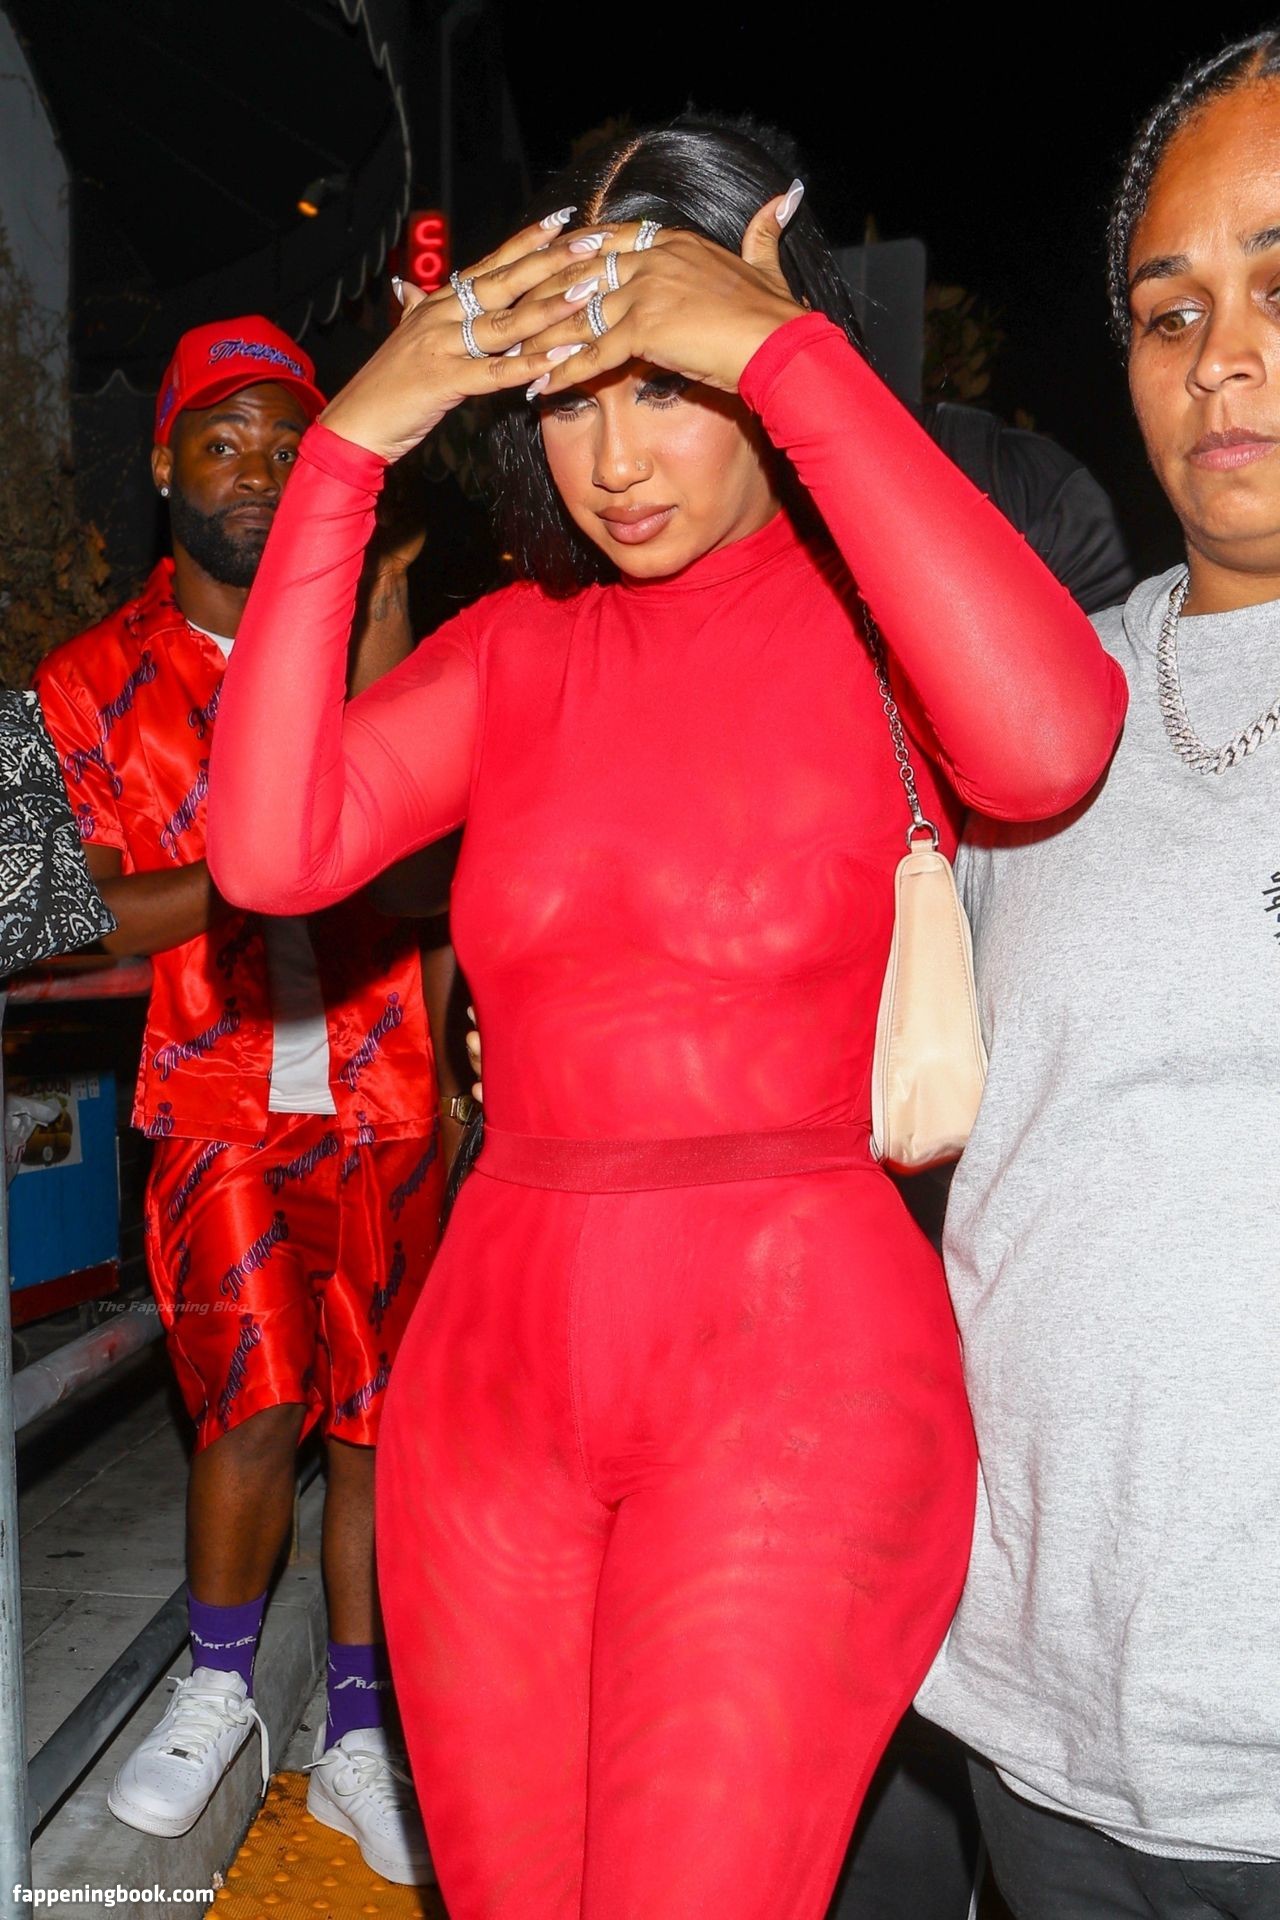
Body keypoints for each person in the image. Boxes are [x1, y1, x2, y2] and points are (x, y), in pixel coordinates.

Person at [205, 118, 1126, 1920]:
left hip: (793, 1384)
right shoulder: (515, 653)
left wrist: (786, 353)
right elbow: (266, 846)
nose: (615, 461)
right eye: (566, 397)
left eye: (666, 385)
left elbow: (1048, 743)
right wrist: (353, 439)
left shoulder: (881, 622)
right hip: (488, 1399)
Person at [912, 33, 1280, 1920]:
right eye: (1168, 311)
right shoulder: (1033, 716)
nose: (1220, 358)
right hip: (1041, 1732)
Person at [33, 317, 446, 1885]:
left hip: (383, 1082)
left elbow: (431, 875)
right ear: (165, 463)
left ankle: (360, 1732)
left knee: (377, 1423)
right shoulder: (84, 677)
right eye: (226, 443)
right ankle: (217, 1689)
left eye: (288, 446)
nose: (259, 473)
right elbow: (61, 909)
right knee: (254, 1397)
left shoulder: (364, 635)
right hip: (212, 1092)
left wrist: (387, 647)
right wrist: (261, 864)